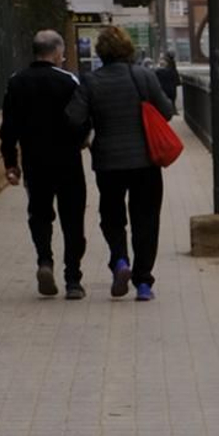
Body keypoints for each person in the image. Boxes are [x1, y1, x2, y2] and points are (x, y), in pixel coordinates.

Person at [74, 24, 175, 300]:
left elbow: (74, 118)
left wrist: (89, 133)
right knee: (146, 220)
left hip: (108, 163)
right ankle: (143, 283)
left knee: (112, 217)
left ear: (100, 52)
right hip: (145, 162)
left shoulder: (91, 81)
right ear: (127, 48)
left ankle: (120, 261)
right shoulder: (143, 76)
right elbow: (167, 112)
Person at [1, 29, 89, 298]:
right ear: (58, 52)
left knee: (39, 214)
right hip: (67, 162)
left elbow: (8, 129)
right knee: (72, 219)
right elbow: (81, 118)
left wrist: (11, 163)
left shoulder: (16, 82)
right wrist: (83, 139)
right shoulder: (69, 81)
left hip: (34, 161)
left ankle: (44, 261)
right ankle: (73, 279)